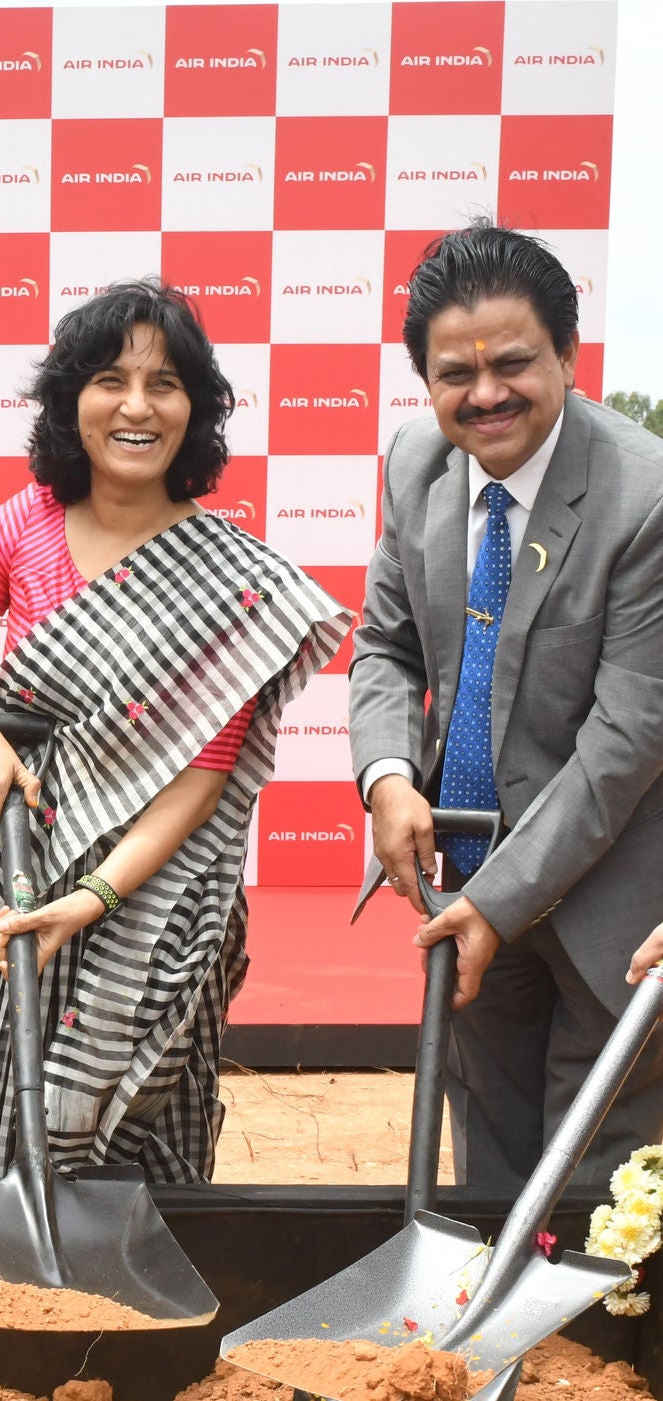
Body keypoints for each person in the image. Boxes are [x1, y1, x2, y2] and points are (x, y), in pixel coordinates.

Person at [0, 281, 350, 1182]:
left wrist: (92, 895)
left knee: (134, 1115)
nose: (136, 405)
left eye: (165, 383)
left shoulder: (235, 585)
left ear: (196, 411)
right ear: (71, 402)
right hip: (12, 865)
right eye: (109, 379)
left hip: (157, 902)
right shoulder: (27, 525)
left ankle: (128, 1293)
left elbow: (199, 780)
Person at [350, 219, 663, 1192]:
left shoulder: (642, 498)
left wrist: (492, 900)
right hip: (469, 872)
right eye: (453, 374)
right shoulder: (414, 465)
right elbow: (384, 646)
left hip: (612, 898)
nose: (484, 393)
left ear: (566, 357)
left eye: (513, 364)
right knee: (485, 1173)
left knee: (593, 1184)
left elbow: (627, 735)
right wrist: (388, 776)